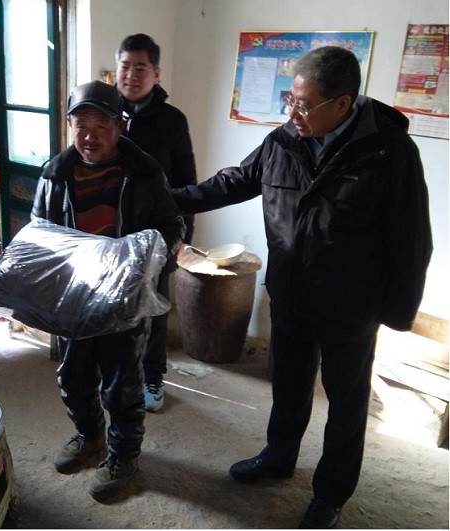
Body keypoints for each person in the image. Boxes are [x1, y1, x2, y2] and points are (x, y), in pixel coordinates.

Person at [171, 46, 432, 528]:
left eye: (304, 104)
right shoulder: (283, 141)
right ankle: (278, 457)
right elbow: (235, 181)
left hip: (350, 307)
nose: (293, 111)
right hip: (291, 295)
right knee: (289, 387)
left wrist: (397, 313)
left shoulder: (388, 152)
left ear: (342, 104)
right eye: (289, 99)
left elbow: (411, 239)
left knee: (346, 404)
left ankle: (331, 493)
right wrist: (169, 200)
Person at [31, 80, 185, 500]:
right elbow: (39, 235)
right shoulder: (54, 175)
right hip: (74, 297)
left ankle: (123, 456)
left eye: (101, 125)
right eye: (81, 124)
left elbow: (173, 225)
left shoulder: (144, 172)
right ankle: (89, 437)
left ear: (120, 126)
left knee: (122, 384)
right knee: (73, 377)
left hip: (125, 298)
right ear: (70, 126)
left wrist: (145, 260)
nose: (90, 135)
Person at [115, 33, 197, 412]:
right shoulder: (103, 111)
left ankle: (152, 377)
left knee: (155, 307)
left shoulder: (171, 121)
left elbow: (187, 182)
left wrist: (183, 235)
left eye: (141, 67)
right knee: (110, 303)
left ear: (156, 74)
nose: (131, 75)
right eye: (125, 66)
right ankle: (116, 373)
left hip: (157, 234)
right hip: (111, 232)